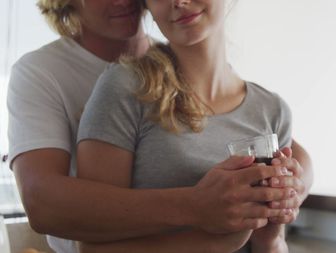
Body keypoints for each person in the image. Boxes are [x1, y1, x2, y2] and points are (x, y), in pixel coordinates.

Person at [7, 0, 312, 252]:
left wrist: (293, 189)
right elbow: (41, 201)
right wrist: (200, 213)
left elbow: (281, 142)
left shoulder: (260, 102)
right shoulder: (52, 75)